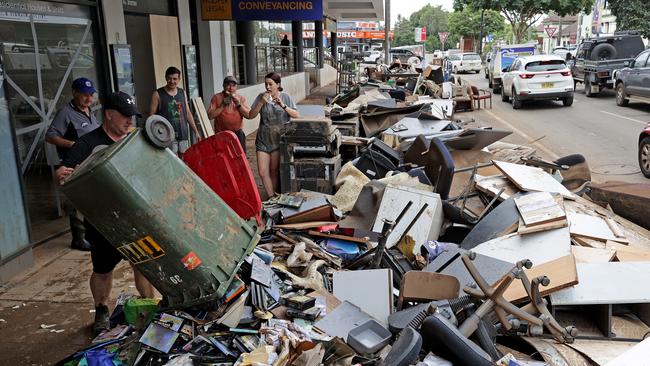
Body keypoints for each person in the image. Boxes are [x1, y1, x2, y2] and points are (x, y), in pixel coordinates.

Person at [55, 91, 155, 334]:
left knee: (143, 265)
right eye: (125, 116)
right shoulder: (87, 143)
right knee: (103, 270)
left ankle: (151, 308)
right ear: (109, 114)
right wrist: (62, 174)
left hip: (135, 218)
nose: (130, 121)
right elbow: (62, 172)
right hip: (103, 222)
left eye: (132, 116)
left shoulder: (135, 139)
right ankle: (101, 309)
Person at [46, 77, 100, 251]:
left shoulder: (89, 111)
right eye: (85, 95)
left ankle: (91, 234)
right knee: (76, 201)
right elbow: (50, 136)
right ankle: (78, 238)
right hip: (73, 163)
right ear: (74, 93)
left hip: (90, 162)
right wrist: (73, 144)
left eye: (91, 95)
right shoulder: (66, 113)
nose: (89, 99)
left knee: (91, 199)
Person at [248, 72, 300, 198]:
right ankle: (271, 197)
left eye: (270, 84)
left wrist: (283, 105)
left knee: (273, 171)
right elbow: (251, 115)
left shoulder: (285, 97)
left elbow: (296, 115)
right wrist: (261, 103)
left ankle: (275, 197)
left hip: (278, 140)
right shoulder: (261, 97)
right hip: (263, 139)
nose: (267, 87)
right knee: (262, 171)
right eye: (266, 84)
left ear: (278, 85)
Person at [149, 66, 200, 155]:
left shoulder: (182, 92)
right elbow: (151, 117)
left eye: (175, 79)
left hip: (183, 135)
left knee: (185, 161)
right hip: (167, 136)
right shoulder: (157, 94)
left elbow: (187, 113)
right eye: (169, 78)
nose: (172, 81)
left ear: (179, 79)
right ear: (165, 77)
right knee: (172, 163)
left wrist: (196, 131)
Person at [207, 76, 251, 151]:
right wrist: (223, 105)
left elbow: (249, 115)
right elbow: (210, 116)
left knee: (240, 156)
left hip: (237, 134)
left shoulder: (240, 98)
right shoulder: (216, 97)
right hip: (221, 134)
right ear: (223, 86)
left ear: (236, 87)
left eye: (233, 85)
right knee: (224, 158)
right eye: (228, 85)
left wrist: (238, 104)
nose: (231, 88)